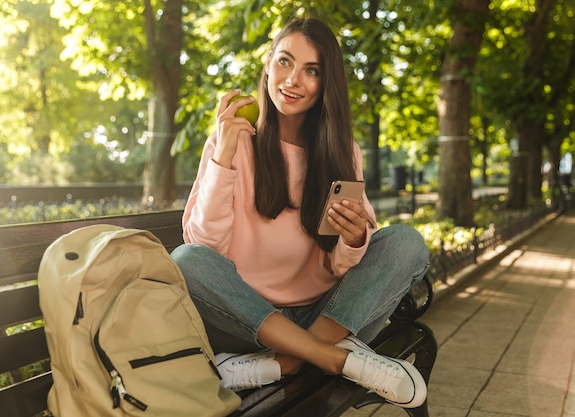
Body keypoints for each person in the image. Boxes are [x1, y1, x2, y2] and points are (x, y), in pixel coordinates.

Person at [171, 17, 430, 409]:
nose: (293, 80)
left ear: (327, 84)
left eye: (312, 71)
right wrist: (223, 158)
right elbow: (205, 246)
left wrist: (354, 238)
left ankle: (288, 361)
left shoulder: (341, 152)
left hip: (325, 314)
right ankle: (336, 358)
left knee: (406, 242)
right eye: (285, 62)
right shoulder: (233, 139)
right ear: (268, 65)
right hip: (247, 321)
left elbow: (340, 267)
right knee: (186, 260)